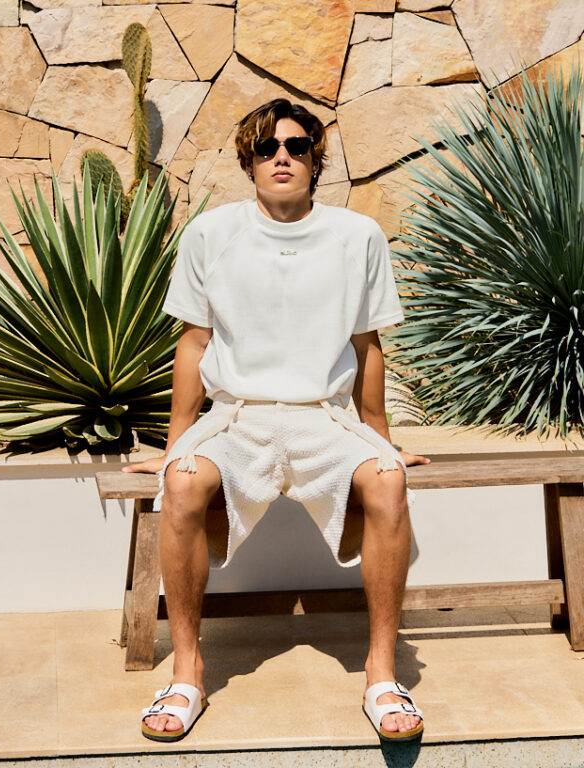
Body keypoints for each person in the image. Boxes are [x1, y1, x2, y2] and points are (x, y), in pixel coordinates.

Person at [123, 98, 430, 743]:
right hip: (237, 419)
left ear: (316, 159)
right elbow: (194, 344)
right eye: (266, 148)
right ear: (249, 162)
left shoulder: (357, 236)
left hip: (325, 419)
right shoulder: (210, 233)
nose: (281, 157)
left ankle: (380, 673)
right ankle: (186, 673)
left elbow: (366, 346)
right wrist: (178, 444)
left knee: (388, 481)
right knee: (179, 485)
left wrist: (382, 440)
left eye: (295, 146)